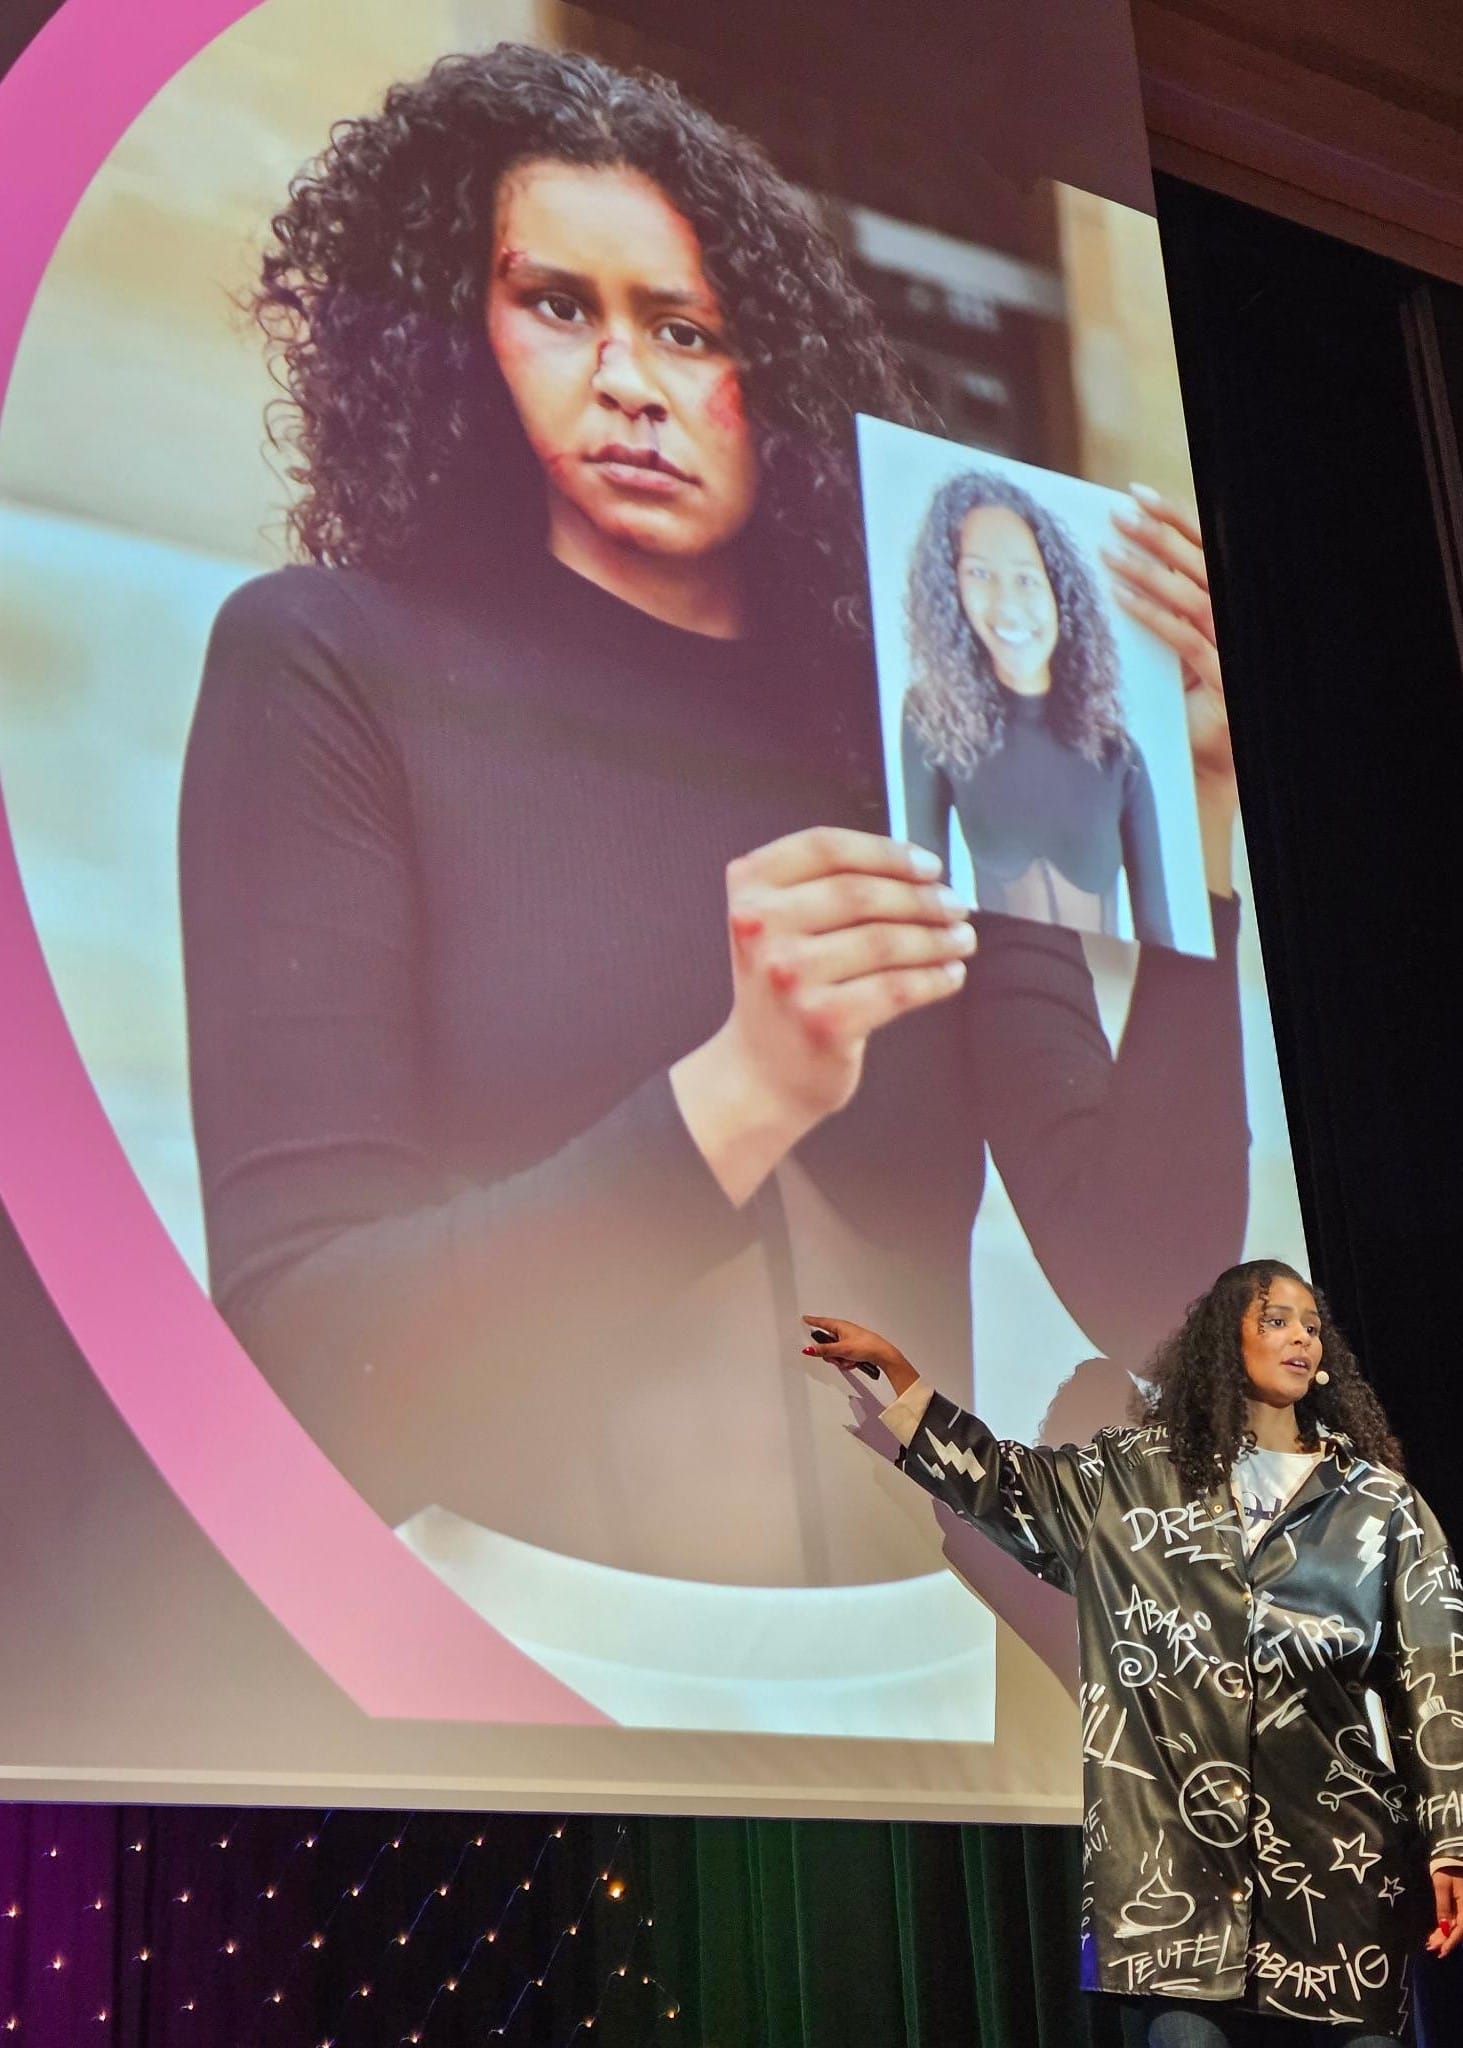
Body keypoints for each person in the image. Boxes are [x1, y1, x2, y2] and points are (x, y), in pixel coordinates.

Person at [180, 41, 1248, 1600]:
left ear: (784, 376)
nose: (627, 379)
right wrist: (743, 1092)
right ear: (463, 334)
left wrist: (1200, 838)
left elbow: (1147, 1287)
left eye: (685, 330)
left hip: (927, 1667)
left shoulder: (911, 727)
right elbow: (305, 1367)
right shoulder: (330, 662)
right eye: (558, 306)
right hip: (517, 1663)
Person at [801, 1262, 1463, 2041]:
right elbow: (1005, 1484)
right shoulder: (1131, 1474)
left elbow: (1435, 1671)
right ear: (1224, 1343)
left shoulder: (1377, 1501)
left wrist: (1448, 1838)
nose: (1300, 1338)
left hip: (1337, 1858)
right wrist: (899, 1375)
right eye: (1275, 1320)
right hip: (1172, 1860)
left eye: (1311, 1326)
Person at [902, 467, 1172, 946]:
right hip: (989, 988)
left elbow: (1160, 942)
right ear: (952, 588)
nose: (1007, 605)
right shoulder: (934, 720)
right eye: (979, 573)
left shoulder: (1118, 756)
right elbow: (925, 918)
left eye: (1026, 579)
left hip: (1104, 993)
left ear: (1059, 594)